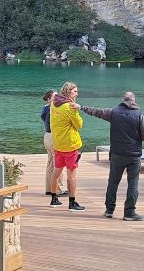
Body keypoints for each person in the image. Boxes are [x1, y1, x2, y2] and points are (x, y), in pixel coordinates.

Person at [81, 92, 144, 221]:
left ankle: (109, 209)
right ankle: (129, 213)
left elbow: (96, 112)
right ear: (134, 101)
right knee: (133, 184)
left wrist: (81, 107)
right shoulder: (139, 115)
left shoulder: (113, 113)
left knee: (113, 182)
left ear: (123, 100)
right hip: (133, 155)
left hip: (117, 154)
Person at [49, 82, 85, 211]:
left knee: (56, 171)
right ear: (68, 92)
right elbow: (79, 124)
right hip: (70, 145)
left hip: (58, 144)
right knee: (72, 175)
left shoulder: (53, 104)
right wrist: (76, 111)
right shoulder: (69, 107)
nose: (77, 94)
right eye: (75, 91)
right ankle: (72, 202)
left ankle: (54, 198)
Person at [40, 90, 67, 196]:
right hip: (53, 137)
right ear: (48, 99)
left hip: (47, 136)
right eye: (54, 97)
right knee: (58, 164)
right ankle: (58, 189)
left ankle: (49, 188)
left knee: (50, 164)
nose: (57, 99)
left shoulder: (45, 109)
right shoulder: (51, 109)